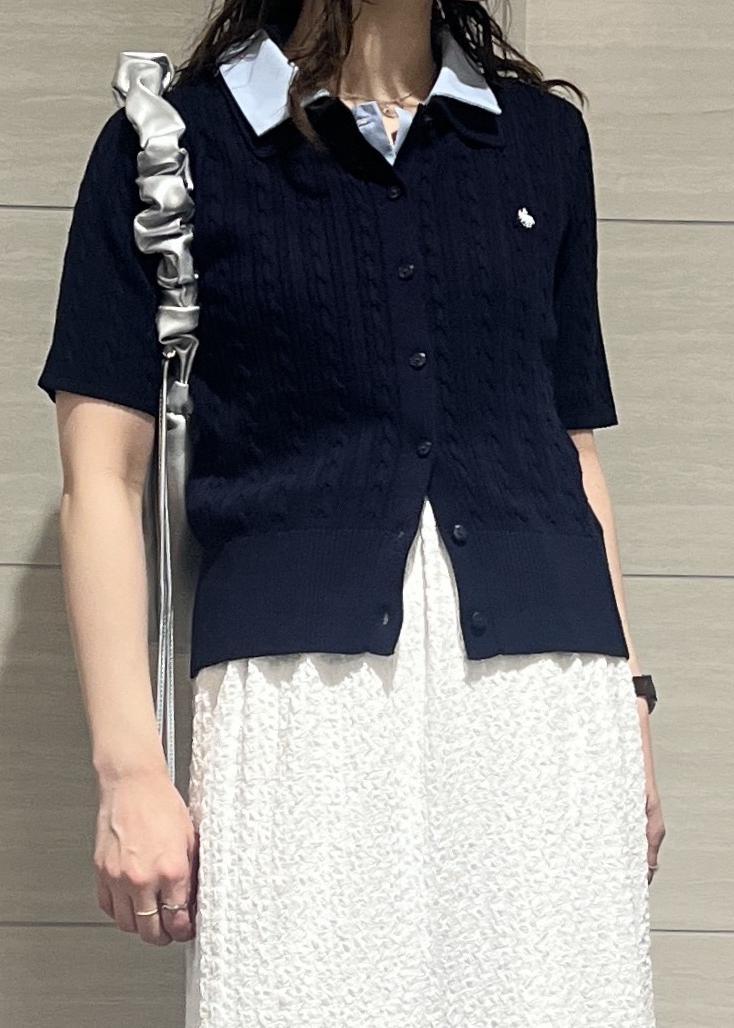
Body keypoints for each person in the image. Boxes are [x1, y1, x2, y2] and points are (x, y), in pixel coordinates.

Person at [36, 1, 666, 1025]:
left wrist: (629, 706)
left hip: (550, 695)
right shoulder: (173, 148)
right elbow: (101, 477)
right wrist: (129, 767)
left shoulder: (541, 140)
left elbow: (567, 444)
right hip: (300, 702)